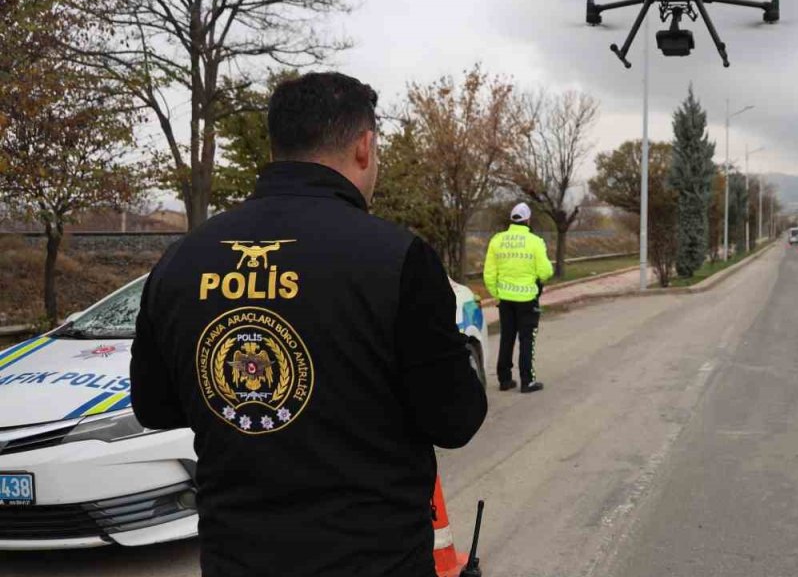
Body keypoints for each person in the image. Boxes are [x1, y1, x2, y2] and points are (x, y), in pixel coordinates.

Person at [129, 72, 487, 577]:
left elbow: (155, 406)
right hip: (373, 559)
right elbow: (455, 420)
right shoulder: (398, 258)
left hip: (236, 558)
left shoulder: (182, 259)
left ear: (277, 146)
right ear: (364, 146)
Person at [484, 203, 553, 393]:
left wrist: (496, 294)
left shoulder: (496, 241)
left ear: (512, 220)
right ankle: (527, 381)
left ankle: (504, 380)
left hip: (505, 299)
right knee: (527, 340)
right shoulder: (535, 241)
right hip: (527, 299)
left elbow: (489, 274)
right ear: (528, 220)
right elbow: (545, 271)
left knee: (507, 337)